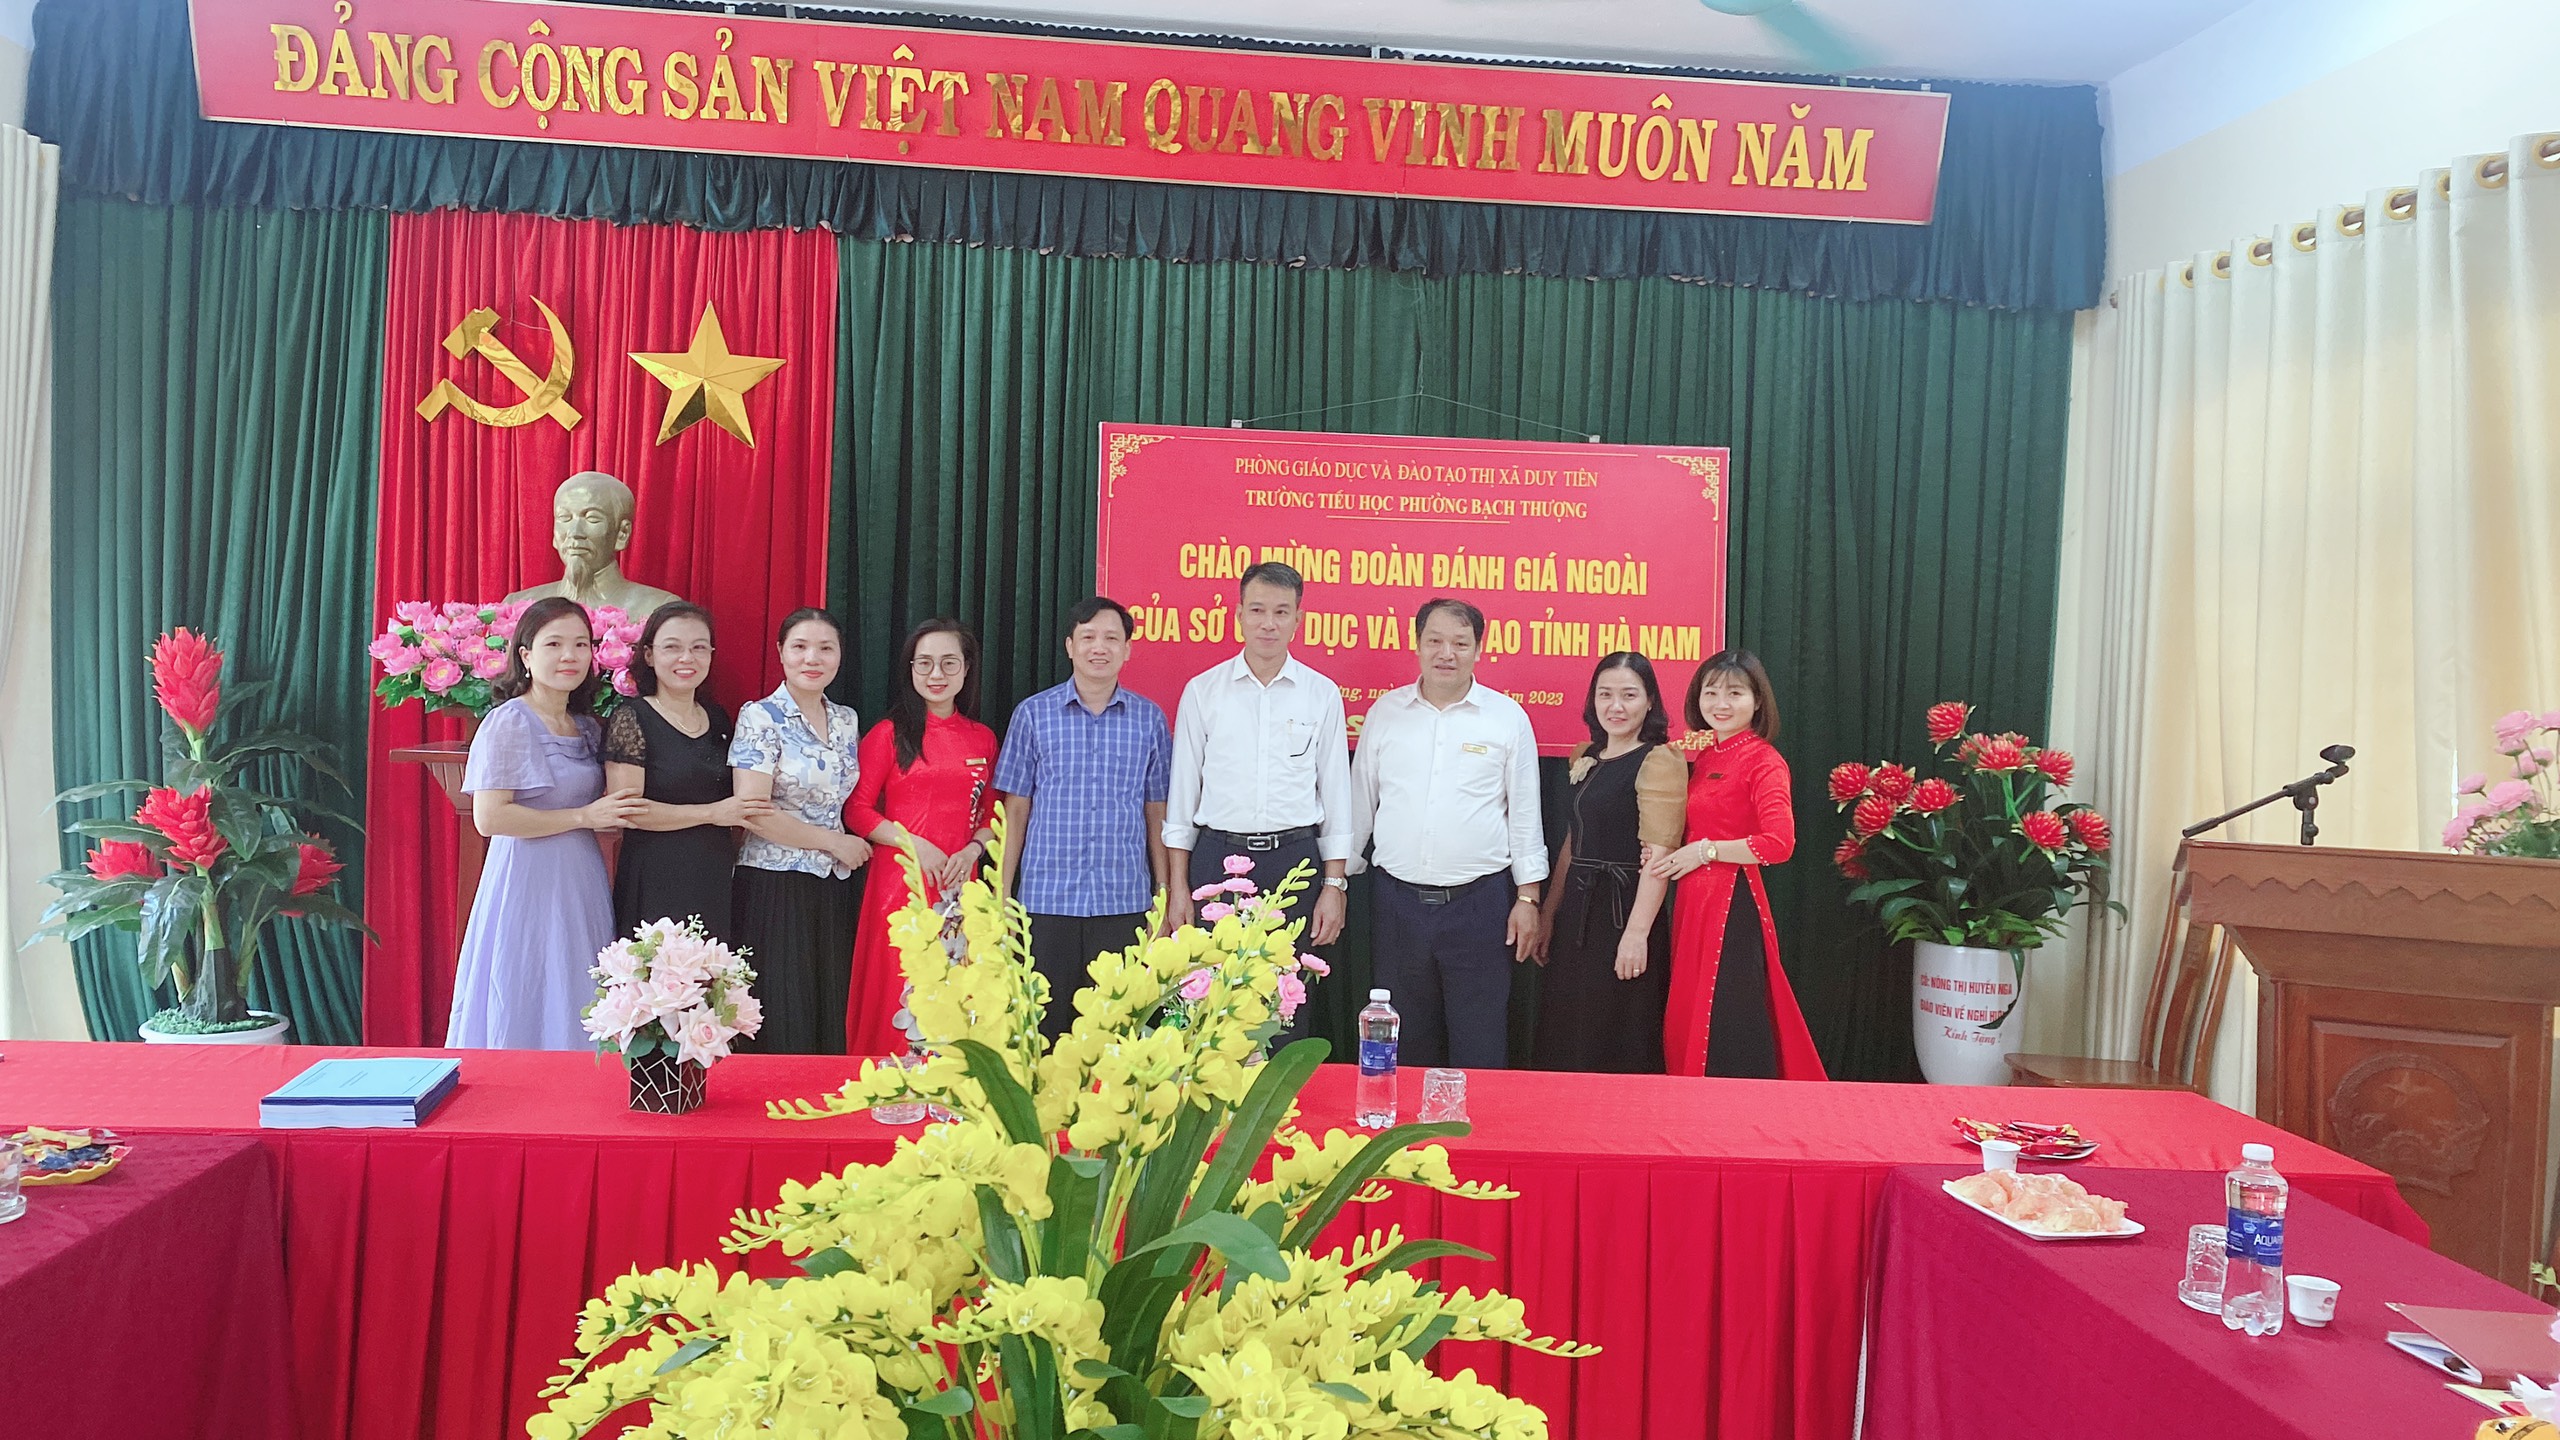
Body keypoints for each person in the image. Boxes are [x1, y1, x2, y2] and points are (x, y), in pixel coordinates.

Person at [1347, 598, 1546, 1069]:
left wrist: (1528, 898)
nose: (1446, 653)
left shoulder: (1506, 718)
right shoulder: (1385, 713)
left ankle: (1479, 1121)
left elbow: (1525, 814)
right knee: (1405, 1043)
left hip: (1480, 906)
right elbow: (1359, 806)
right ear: (1416, 645)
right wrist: (1338, 881)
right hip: (1397, 905)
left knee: (1480, 1041)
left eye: (1460, 643)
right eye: (1435, 641)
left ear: (1479, 649)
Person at [447, 598, 647, 1049]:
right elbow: (490, 817)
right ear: (525, 655)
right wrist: (583, 817)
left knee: (576, 981)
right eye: (554, 644)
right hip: (526, 877)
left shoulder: (587, 728)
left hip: (580, 874)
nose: (569, 656)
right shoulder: (508, 722)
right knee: (525, 978)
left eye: (580, 644)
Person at [1162, 562, 1353, 1024]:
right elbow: (1182, 798)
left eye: (1281, 612)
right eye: (1258, 610)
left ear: (1298, 620)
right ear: (1239, 616)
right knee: (1212, 1001)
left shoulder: (1321, 693)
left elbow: (1336, 798)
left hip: (1294, 862)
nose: (1269, 623)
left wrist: (1334, 886)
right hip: (1217, 860)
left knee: (1285, 1005)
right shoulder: (1204, 691)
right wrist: (1178, 887)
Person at [994, 597, 1172, 1039]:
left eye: (1111, 638)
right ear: (1070, 646)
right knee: (1045, 1031)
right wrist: (1002, 892)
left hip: (1123, 901)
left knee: (1118, 1032)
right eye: (1088, 637)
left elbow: (1157, 812)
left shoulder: (1149, 719)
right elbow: (1016, 810)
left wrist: (1163, 895)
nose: (1099, 647)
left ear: (1127, 649)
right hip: (1045, 902)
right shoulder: (1032, 715)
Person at [1646, 649, 1828, 1080]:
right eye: (1711, 693)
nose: (1721, 704)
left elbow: (1779, 844)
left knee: (1728, 1013)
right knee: (1691, 1007)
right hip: (1693, 899)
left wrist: (1705, 850)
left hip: (1731, 901)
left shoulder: (1763, 760)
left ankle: (1739, 1107)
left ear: (1757, 700)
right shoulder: (1706, 754)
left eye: (1735, 693)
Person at [844, 618, 1001, 1056]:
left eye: (949, 663)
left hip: (960, 885)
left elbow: (993, 814)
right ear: (910, 669)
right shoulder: (888, 734)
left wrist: (973, 850)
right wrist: (916, 845)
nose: (936, 674)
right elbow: (857, 811)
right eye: (925, 663)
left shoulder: (983, 739)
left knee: (956, 987)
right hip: (900, 886)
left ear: (967, 669)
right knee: (900, 987)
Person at [1527, 652, 1687, 1072]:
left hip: (1624, 910)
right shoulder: (1587, 755)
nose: (1616, 706)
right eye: (1605, 694)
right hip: (1578, 912)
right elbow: (1573, 841)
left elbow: (1659, 854)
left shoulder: (1658, 760)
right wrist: (1549, 914)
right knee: (1568, 1029)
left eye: (1629, 695)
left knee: (1616, 1029)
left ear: (1650, 701)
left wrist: (1636, 935)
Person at [729, 608, 871, 1054]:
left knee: (828, 1005)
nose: (813, 658)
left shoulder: (846, 719)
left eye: (826, 648)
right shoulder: (760, 716)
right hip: (775, 880)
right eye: (800, 647)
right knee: (783, 1006)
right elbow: (753, 811)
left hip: (833, 882)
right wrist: (833, 842)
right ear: (781, 652)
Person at [602, 603, 770, 943]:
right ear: (649, 655)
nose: (686, 658)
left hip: (713, 873)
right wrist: (712, 813)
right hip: (656, 873)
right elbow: (627, 811)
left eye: (698, 647)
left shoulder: (718, 717)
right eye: (672, 647)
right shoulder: (631, 717)